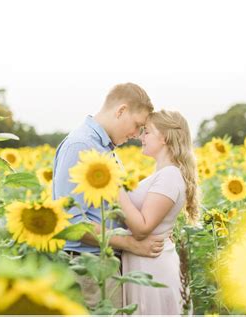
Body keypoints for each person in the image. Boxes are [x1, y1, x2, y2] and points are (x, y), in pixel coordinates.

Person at [52, 82, 165, 309]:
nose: (136, 135)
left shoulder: (105, 149)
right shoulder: (81, 145)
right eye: (137, 125)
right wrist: (132, 244)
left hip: (104, 265)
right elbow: (72, 223)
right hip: (89, 268)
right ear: (121, 110)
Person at [118, 110, 199, 314]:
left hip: (153, 268)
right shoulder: (164, 174)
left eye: (147, 132)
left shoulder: (170, 176)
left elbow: (143, 228)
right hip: (147, 264)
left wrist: (115, 189)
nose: (140, 137)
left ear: (164, 137)